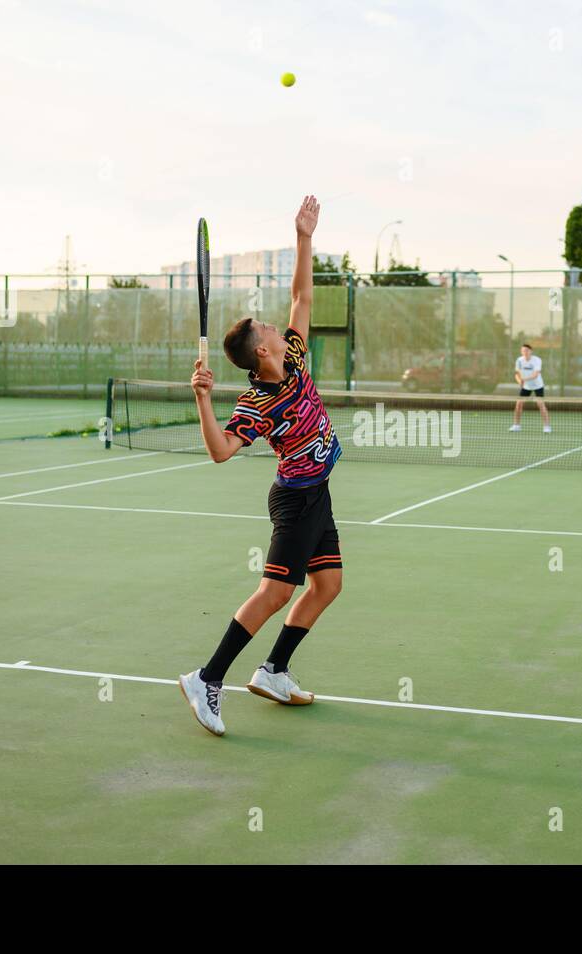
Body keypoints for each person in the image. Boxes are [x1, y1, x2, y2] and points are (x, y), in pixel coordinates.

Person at [178, 195, 342, 737]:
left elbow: (301, 294)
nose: (277, 325)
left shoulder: (292, 354)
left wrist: (303, 236)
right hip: (294, 501)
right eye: (268, 327)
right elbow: (222, 451)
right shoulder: (255, 405)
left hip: (317, 491)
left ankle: (273, 671)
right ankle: (208, 678)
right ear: (263, 352)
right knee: (275, 591)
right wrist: (203, 400)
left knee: (327, 585)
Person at [510, 343, 551, 432]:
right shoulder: (519, 360)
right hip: (526, 386)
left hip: (538, 385)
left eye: (527, 350)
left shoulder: (537, 360)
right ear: (521, 352)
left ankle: (547, 427)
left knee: (540, 404)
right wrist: (519, 381)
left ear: (531, 351)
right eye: (523, 350)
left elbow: (535, 375)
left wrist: (524, 379)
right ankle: (516, 425)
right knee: (518, 404)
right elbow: (517, 374)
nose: (525, 352)